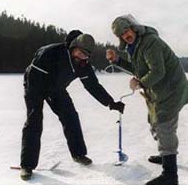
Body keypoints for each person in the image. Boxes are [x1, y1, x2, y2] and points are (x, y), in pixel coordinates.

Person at [20, 30, 125, 180]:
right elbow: (34, 76)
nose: (82, 57)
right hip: (35, 85)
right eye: (80, 52)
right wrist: (41, 97)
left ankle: (78, 154)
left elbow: (93, 86)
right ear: (72, 47)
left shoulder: (83, 65)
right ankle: (27, 165)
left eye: (86, 55)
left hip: (56, 89)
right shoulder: (50, 53)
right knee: (34, 121)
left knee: (70, 117)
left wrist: (111, 103)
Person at [107, 15, 188, 185]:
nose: (126, 36)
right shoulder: (135, 46)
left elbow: (158, 71)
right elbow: (137, 68)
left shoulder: (150, 42)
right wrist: (117, 60)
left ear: (133, 28)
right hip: (158, 91)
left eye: (127, 31)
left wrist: (139, 83)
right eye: (122, 35)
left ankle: (170, 175)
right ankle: (166, 155)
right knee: (154, 122)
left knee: (164, 125)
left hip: (171, 89)